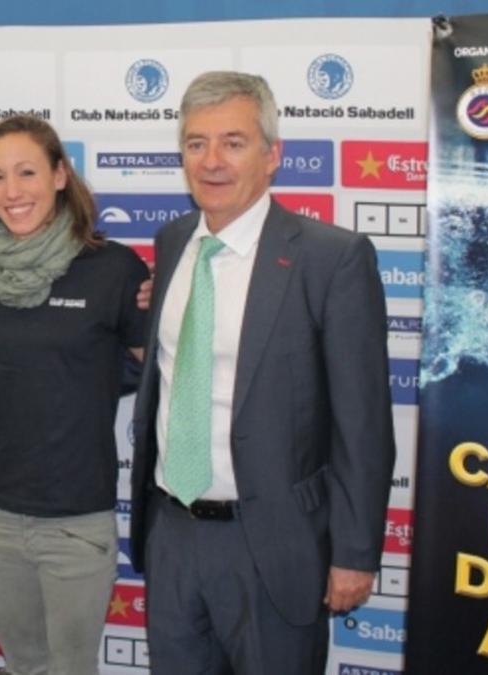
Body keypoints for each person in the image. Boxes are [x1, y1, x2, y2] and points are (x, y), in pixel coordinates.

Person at [129, 71, 395, 674]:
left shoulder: (332, 259)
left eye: (233, 142)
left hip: (274, 545)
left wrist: (354, 554)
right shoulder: (173, 243)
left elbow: (364, 425)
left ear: (273, 156)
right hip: (171, 533)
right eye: (196, 144)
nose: (212, 161)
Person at [0, 115, 147, 675]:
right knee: (22, 666)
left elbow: (156, 374)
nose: (12, 193)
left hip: (74, 520)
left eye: (26, 173)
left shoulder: (113, 270)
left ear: (60, 175)